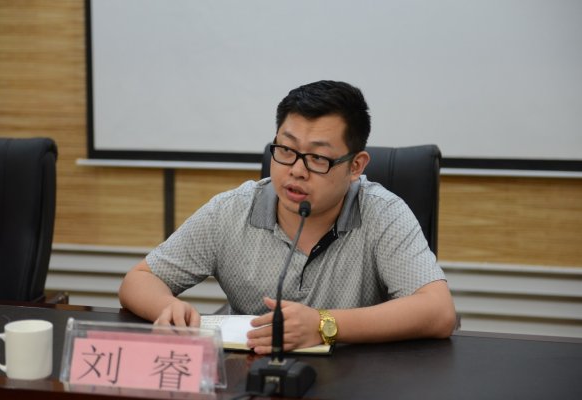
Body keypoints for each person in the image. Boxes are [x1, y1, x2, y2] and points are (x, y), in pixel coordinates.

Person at [119, 80, 456, 354]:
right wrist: (167, 307)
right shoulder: (232, 210)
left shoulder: (383, 213)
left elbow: (438, 311)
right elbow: (140, 279)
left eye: (318, 158)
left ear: (355, 166)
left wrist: (324, 325)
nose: (296, 170)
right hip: (253, 375)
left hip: (355, 377)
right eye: (286, 150)